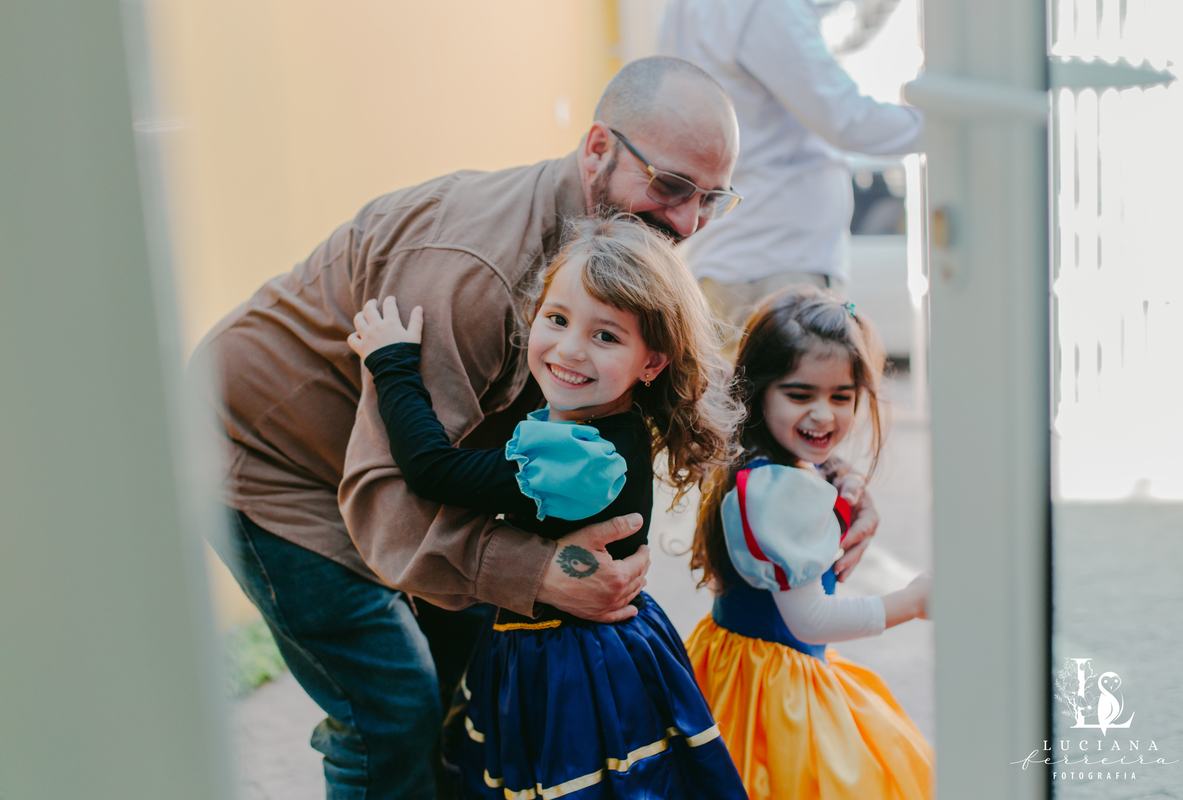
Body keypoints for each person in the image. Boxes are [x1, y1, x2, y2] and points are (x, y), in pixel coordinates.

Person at [194, 57, 871, 800]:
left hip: (406, 455)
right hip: (265, 457)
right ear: (596, 150)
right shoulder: (478, 278)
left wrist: (819, 486)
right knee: (392, 713)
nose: (686, 223)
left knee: (471, 676)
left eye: (712, 200)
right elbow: (392, 485)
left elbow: (692, 410)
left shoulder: (610, 258)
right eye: (671, 186)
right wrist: (536, 572)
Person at [347, 215, 748, 799]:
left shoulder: (574, 461)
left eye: (606, 336)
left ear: (652, 362)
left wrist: (392, 364)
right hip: (595, 644)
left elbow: (433, 470)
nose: (569, 349)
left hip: (569, 664)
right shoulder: (616, 422)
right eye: (557, 319)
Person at [685, 286, 934, 799]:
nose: (824, 415)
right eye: (801, 395)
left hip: (736, 664)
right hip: (776, 688)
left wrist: (840, 479)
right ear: (758, 392)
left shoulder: (758, 457)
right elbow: (811, 619)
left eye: (841, 397)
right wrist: (910, 602)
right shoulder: (780, 493)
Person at [657, 0, 925, 332]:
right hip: (778, 261)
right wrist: (940, 129)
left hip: (730, 257)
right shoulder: (763, 9)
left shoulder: (684, 9)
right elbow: (847, 119)